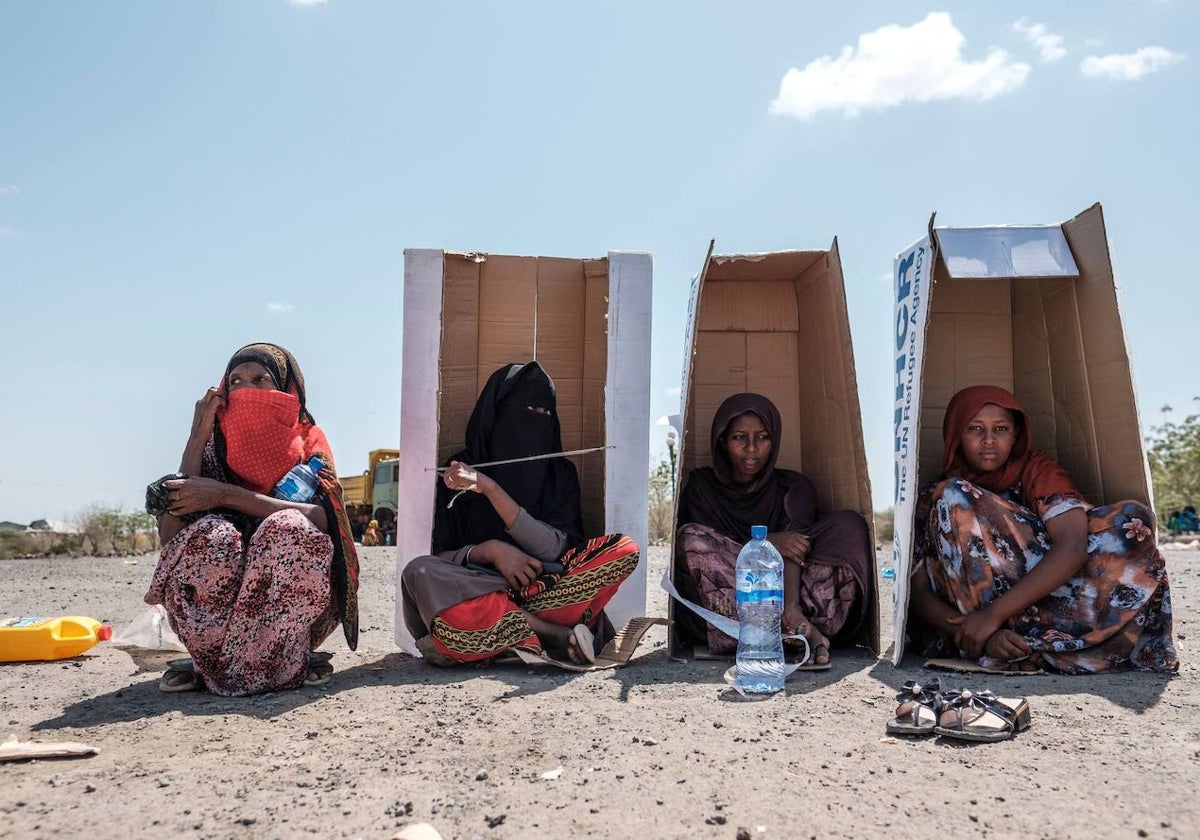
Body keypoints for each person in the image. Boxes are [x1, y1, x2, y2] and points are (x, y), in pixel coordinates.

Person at [909, 385, 1177, 674]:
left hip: (1048, 598)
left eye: (1000, 429)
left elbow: (1073, 547)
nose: (988, 440)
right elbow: (920, 594)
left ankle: (1037, 641)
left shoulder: (1036, 470)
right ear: (956, 437)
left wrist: (994, 614)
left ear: (1015, 436)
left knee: (1132, 520)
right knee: (952, 495)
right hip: (973, 621)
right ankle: (1000, 643)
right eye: (975, 429)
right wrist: (983, 631)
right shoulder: (936, 498)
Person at [145, 343, 359, 695]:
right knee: (212, 537)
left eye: (261, 379)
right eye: (237, 380)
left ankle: (281, 657)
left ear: (287, 390)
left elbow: (325, 520)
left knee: (287, 529)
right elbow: (173, 537)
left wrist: (225, 495)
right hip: (217, 619)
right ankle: (216, 662)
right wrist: (198, 433)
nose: (248, 389)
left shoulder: (309, 444)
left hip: (295, 611)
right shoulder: (214, 446)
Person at [401, 361, 639, 665]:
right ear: (497, 415)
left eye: (546, 414)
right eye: (528, 411)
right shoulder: (459, 468)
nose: (537, 422)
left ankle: (511, 637)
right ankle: (554, 635)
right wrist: (489, 551)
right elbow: (438, 558)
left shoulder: (559, 473)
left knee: (623, 550)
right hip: (475, 589)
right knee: (418, 572)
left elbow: (558, 548)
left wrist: (490, 489)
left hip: (547, 590)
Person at [674, 393, 872, 666]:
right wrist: (765, 542)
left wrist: (790, 607)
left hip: (792, 592)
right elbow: (708, 559)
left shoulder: (794, 487)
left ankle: (788, 627)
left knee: (849, 526)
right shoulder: (702, 488)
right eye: (739, 437)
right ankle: (787, 634)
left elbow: (796, 552)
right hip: (733, 602)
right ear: (722, 440)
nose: (752, 448)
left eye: (763, 437)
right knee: (693, 539)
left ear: (774, 439)